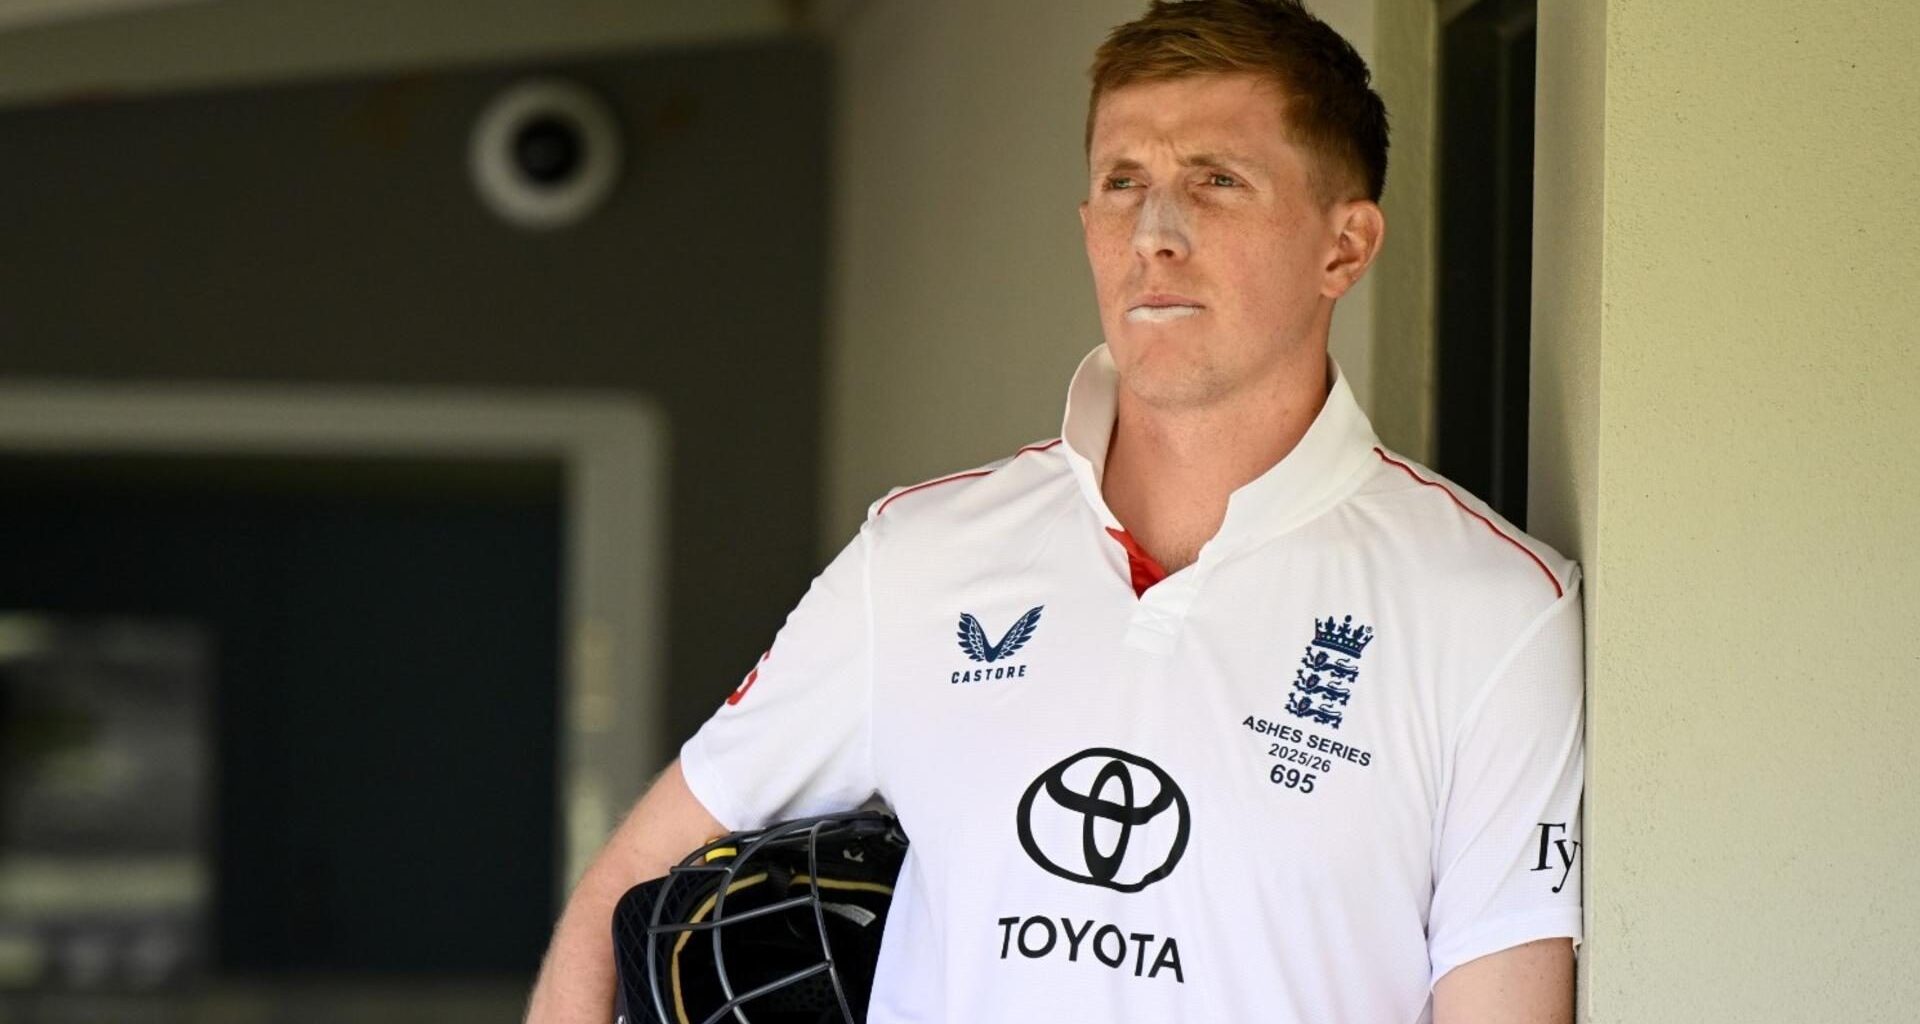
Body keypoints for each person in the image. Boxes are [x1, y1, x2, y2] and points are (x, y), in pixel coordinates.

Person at [527, 1, 1583, 1021]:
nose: (1154, 234)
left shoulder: (1492, 606)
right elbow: (628, 879)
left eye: (1216, 180)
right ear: (1087, 223)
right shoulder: (921, 555)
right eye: (1123, 182)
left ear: (1345, 248)